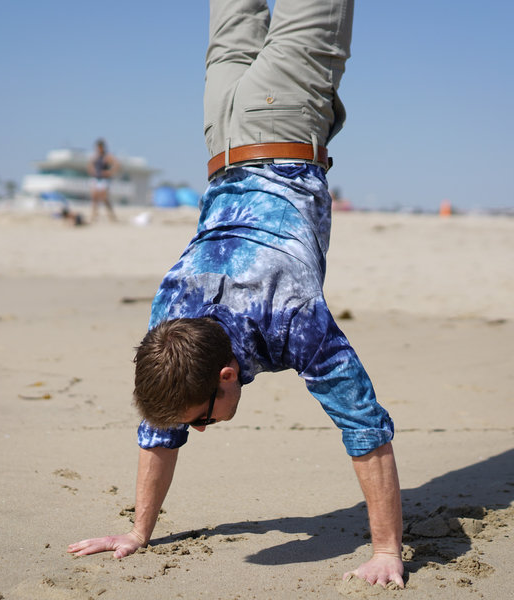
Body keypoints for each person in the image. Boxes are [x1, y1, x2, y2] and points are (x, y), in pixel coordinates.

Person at [68, 0, 404, 589]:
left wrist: (385, 550)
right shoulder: (169, 318)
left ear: (228, 376)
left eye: (202, 423)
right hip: (220, 132)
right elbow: (159, 429)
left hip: (282, 117)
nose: (199, 431)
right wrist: (138, 532)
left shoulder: (290, 314)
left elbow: (365, 427)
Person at [87, 138, 119, 222]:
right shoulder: (95, 156)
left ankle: (112, 216)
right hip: (96, 178)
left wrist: (109, 172)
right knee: (94, 197)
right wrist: (92, 171)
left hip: (104, 179)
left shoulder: (107, 156)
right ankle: (94, 215)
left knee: (104, 198)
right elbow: (89, 165)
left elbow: (116, 165)